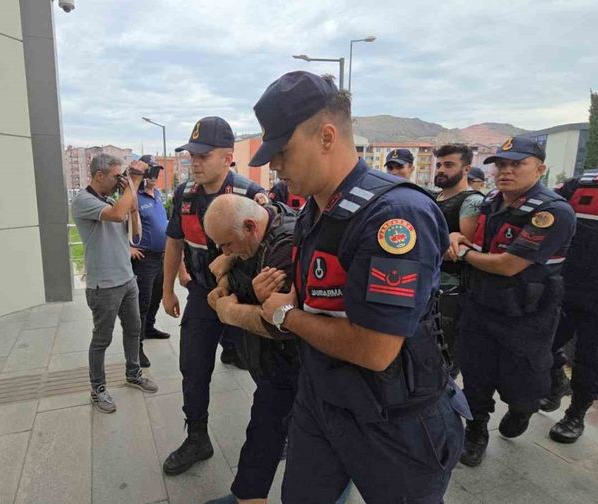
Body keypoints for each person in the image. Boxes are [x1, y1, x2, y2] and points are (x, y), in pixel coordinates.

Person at [250, 70, 467, 503]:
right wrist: (288, 297)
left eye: (283, 151)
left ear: (327, 136)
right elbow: (317, 293)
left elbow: (375, 348)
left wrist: (283, 314)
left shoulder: (395, 215)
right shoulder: (317, 208)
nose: (274, 165)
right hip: (323, 401)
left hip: (396, 421)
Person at [450, 136, 576, 467]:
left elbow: (508, 265)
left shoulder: (552, 211)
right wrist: (457, 238)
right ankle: (476, 430)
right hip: (480, 305)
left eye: (516, 164)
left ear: (540, 168)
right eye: (501, 165)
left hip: (527, 315)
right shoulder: (492, 202)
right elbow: (471, 236)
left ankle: (524, 409)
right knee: (475, 377)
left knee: (525, 386)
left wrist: (463, 253)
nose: (506, 171)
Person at [161, 116, 269, 476]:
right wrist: (166, 290)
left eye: (203, 155)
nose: (195, 162)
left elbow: (271, 247)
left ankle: (279, 431)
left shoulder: (250, 196)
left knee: (267, 371)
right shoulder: (185, 195)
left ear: (227, 157)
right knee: (192, 367)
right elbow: (174, 241)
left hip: (244, 300)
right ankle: (197, 438)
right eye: (191, 154)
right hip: (202, 297)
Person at [539, 120, 598, 444]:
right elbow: (545, 215)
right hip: (568, 286)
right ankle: (555, 383)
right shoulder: (580, 187)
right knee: (541, 343)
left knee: (594, 360)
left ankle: (575, 415)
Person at [201, 194, 301, 504]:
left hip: (295, 365)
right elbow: (242, 278)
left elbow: (280, 324)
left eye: (226, 245)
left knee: (273, 432)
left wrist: (228, 310)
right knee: (267, 430)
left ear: (250, 226)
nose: (223, 251)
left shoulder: (284, 246)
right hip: (272, 365)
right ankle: (248, 494)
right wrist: (230, 272)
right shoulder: (256, 231)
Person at [71, 154, 159, 414]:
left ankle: (133, 374)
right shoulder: (83, 201)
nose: (119, 179)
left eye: (123, 175)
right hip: (104, 286)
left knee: (134, 329)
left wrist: (132, 203)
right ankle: (97, 389)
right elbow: (116, 214)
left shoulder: (111, 200)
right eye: (115, 175)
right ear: (99, 175)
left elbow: (135, 233)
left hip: (127, 279)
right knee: (102, 339)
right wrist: (133, 182)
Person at [433, 144, 484, 377]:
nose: (441, 169)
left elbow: (463, 248)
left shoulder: (472, 201)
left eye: (449, 164)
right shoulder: (436, 197)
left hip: (451, 292)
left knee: (444, 362)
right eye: (439, 164)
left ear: (466, 169)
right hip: (429, 286)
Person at [130, 155, 171, 369]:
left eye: (157, 172)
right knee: (142, 304)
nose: (156, 177)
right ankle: (136, 347)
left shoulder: (156, 195)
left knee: (156, 297)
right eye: (152, 172)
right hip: (144, 259)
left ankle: (150, 328)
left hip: (161, 257)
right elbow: (119, 223)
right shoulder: (133, 196)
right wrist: (128, 247)